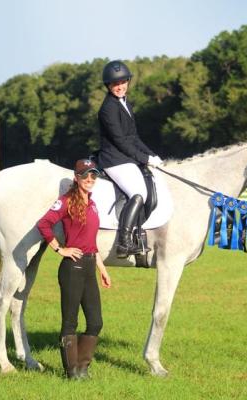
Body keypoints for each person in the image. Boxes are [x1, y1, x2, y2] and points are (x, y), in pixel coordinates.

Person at [37, 158, 112, 380]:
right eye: (85, 175)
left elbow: (91, 240)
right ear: (76, 178)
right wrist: (60, 249)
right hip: (72, 268)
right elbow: (44, 224)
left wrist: (102, 269)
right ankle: (71, 372)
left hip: (90, 264)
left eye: (93, 175)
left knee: (96, 322)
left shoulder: (93, 203)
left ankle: (82, 367)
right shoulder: (66, 201)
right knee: (70, 322)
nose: (90, 179)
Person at [97, 60, 163, 258]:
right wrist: (144, 158)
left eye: (123, 82)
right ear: (109, 86)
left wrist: (152, 155)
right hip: (113, 159)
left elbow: (133, 137)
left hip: (126, 158)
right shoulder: (108, 108)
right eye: (115, 84)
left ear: (128, 82)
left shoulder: (125, 103)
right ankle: (124, 243)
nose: (119, 87)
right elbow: (120, 141)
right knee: (138, 191)